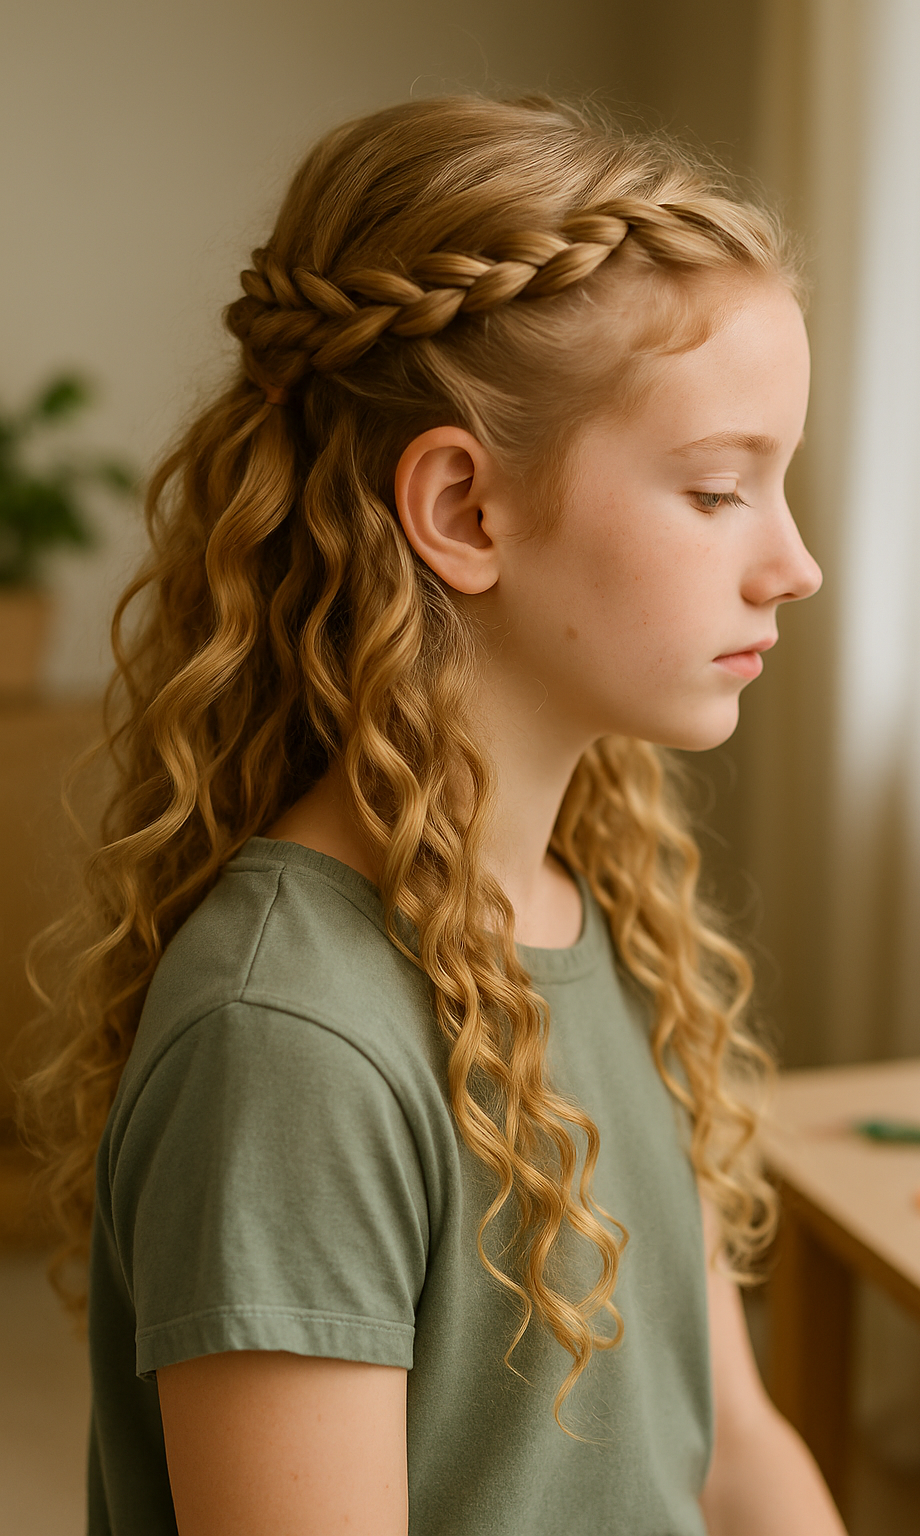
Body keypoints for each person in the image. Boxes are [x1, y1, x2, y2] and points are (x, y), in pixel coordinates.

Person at [24, 94, 844, 1535]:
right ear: (464, 509)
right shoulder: (290, 1041)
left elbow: (738, 1454)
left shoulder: (605, 901)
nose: (796, 563)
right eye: (719, 488)